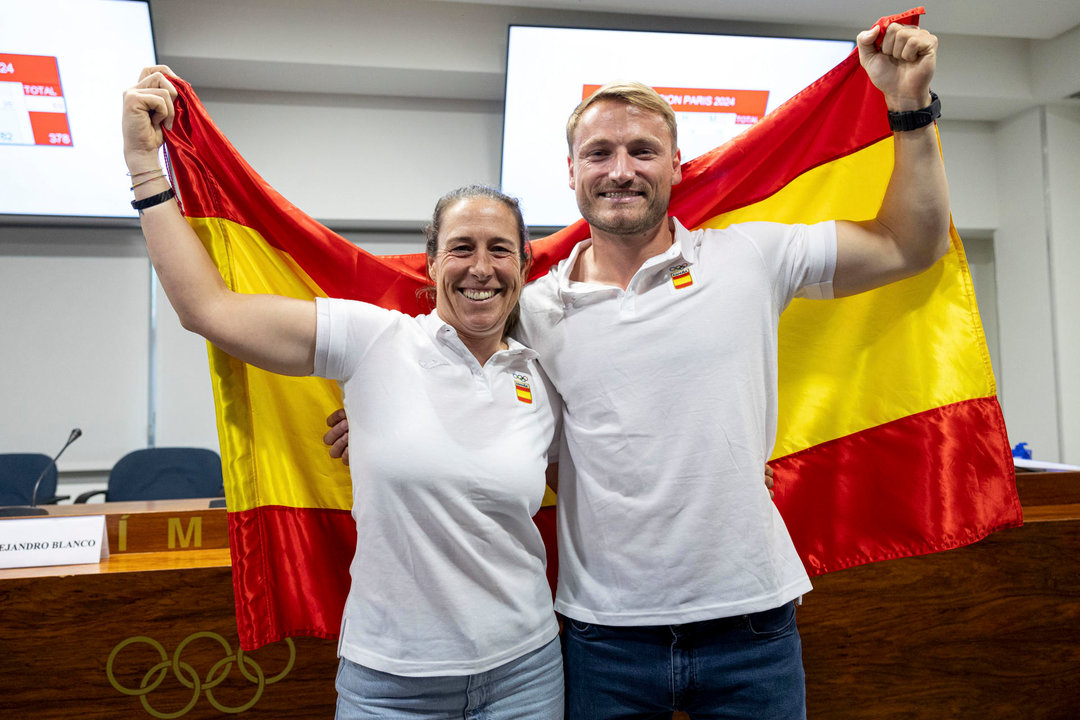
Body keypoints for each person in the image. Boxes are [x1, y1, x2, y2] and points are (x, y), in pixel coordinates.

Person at [326, 19, 949, 719]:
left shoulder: (750, 258)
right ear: (571, 172)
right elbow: (452, 368)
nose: (620, 168)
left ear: (676, 165)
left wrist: (910, 110)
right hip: (604, 637)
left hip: (751, 623)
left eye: (642, 150)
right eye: (599, 152)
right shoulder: (533, 306)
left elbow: (910, 244)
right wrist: (388, 409)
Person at [122, 68, 565, 720]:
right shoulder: (374, 340)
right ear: (432, 262)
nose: (481, 267)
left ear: (524, 268)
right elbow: (208, 310)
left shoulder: (545, 375)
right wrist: (141, 166)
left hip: (526, 674)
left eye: (500, 250)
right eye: (461, 248)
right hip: (390, 682)